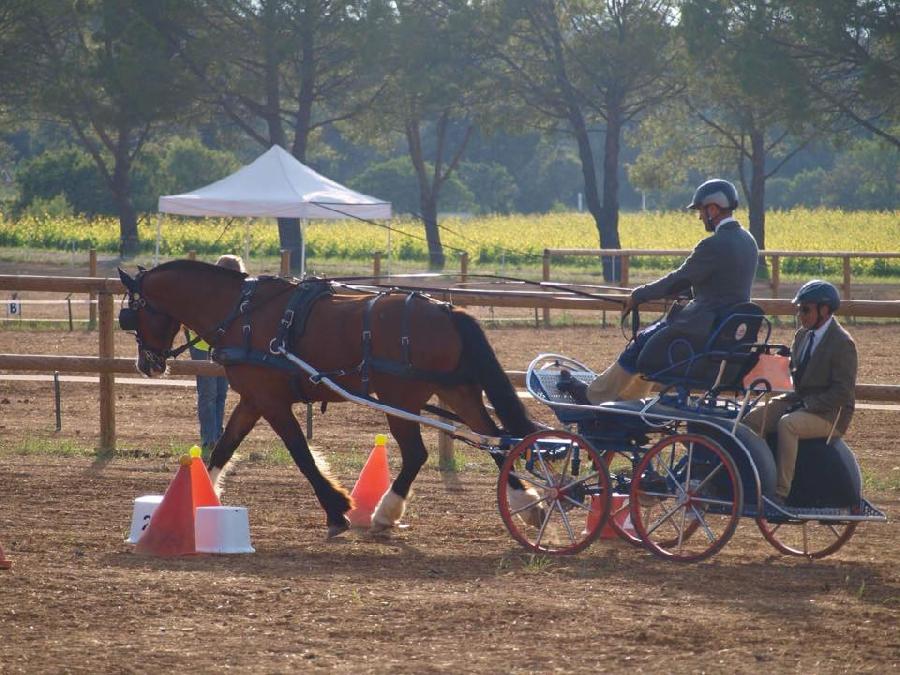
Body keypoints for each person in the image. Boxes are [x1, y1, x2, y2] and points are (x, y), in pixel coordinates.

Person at [561, 178, 759, 404]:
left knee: (641, 344)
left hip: (702, 327)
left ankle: (594, 396)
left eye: (702, 211)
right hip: (723, 329)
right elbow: (722, 283)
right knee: (654, 336)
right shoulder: (748, 241)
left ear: (713, 208)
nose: (700, 217)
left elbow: (679, 279)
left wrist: (639, 294)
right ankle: (628, 399)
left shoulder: (713, 245)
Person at [742, 280, 857, 505]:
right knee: (752, 419)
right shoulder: (802, 335)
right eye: (799, 309)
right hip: (800, 401)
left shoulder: (843, 343)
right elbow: (795, 373)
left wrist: (809, 404)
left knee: (788, 424)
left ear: (824, 310)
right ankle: (762, 479)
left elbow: (843, 392)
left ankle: (780, 493)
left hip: (830, 415)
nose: (800, 314)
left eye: (805, 309)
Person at [188, 254, 246, 452]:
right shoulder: (206, 292)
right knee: (208, 393)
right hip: (203, 346)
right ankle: (208, 438)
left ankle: (217, 436)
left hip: (223, 347)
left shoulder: (234, 292)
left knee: (221, 392)